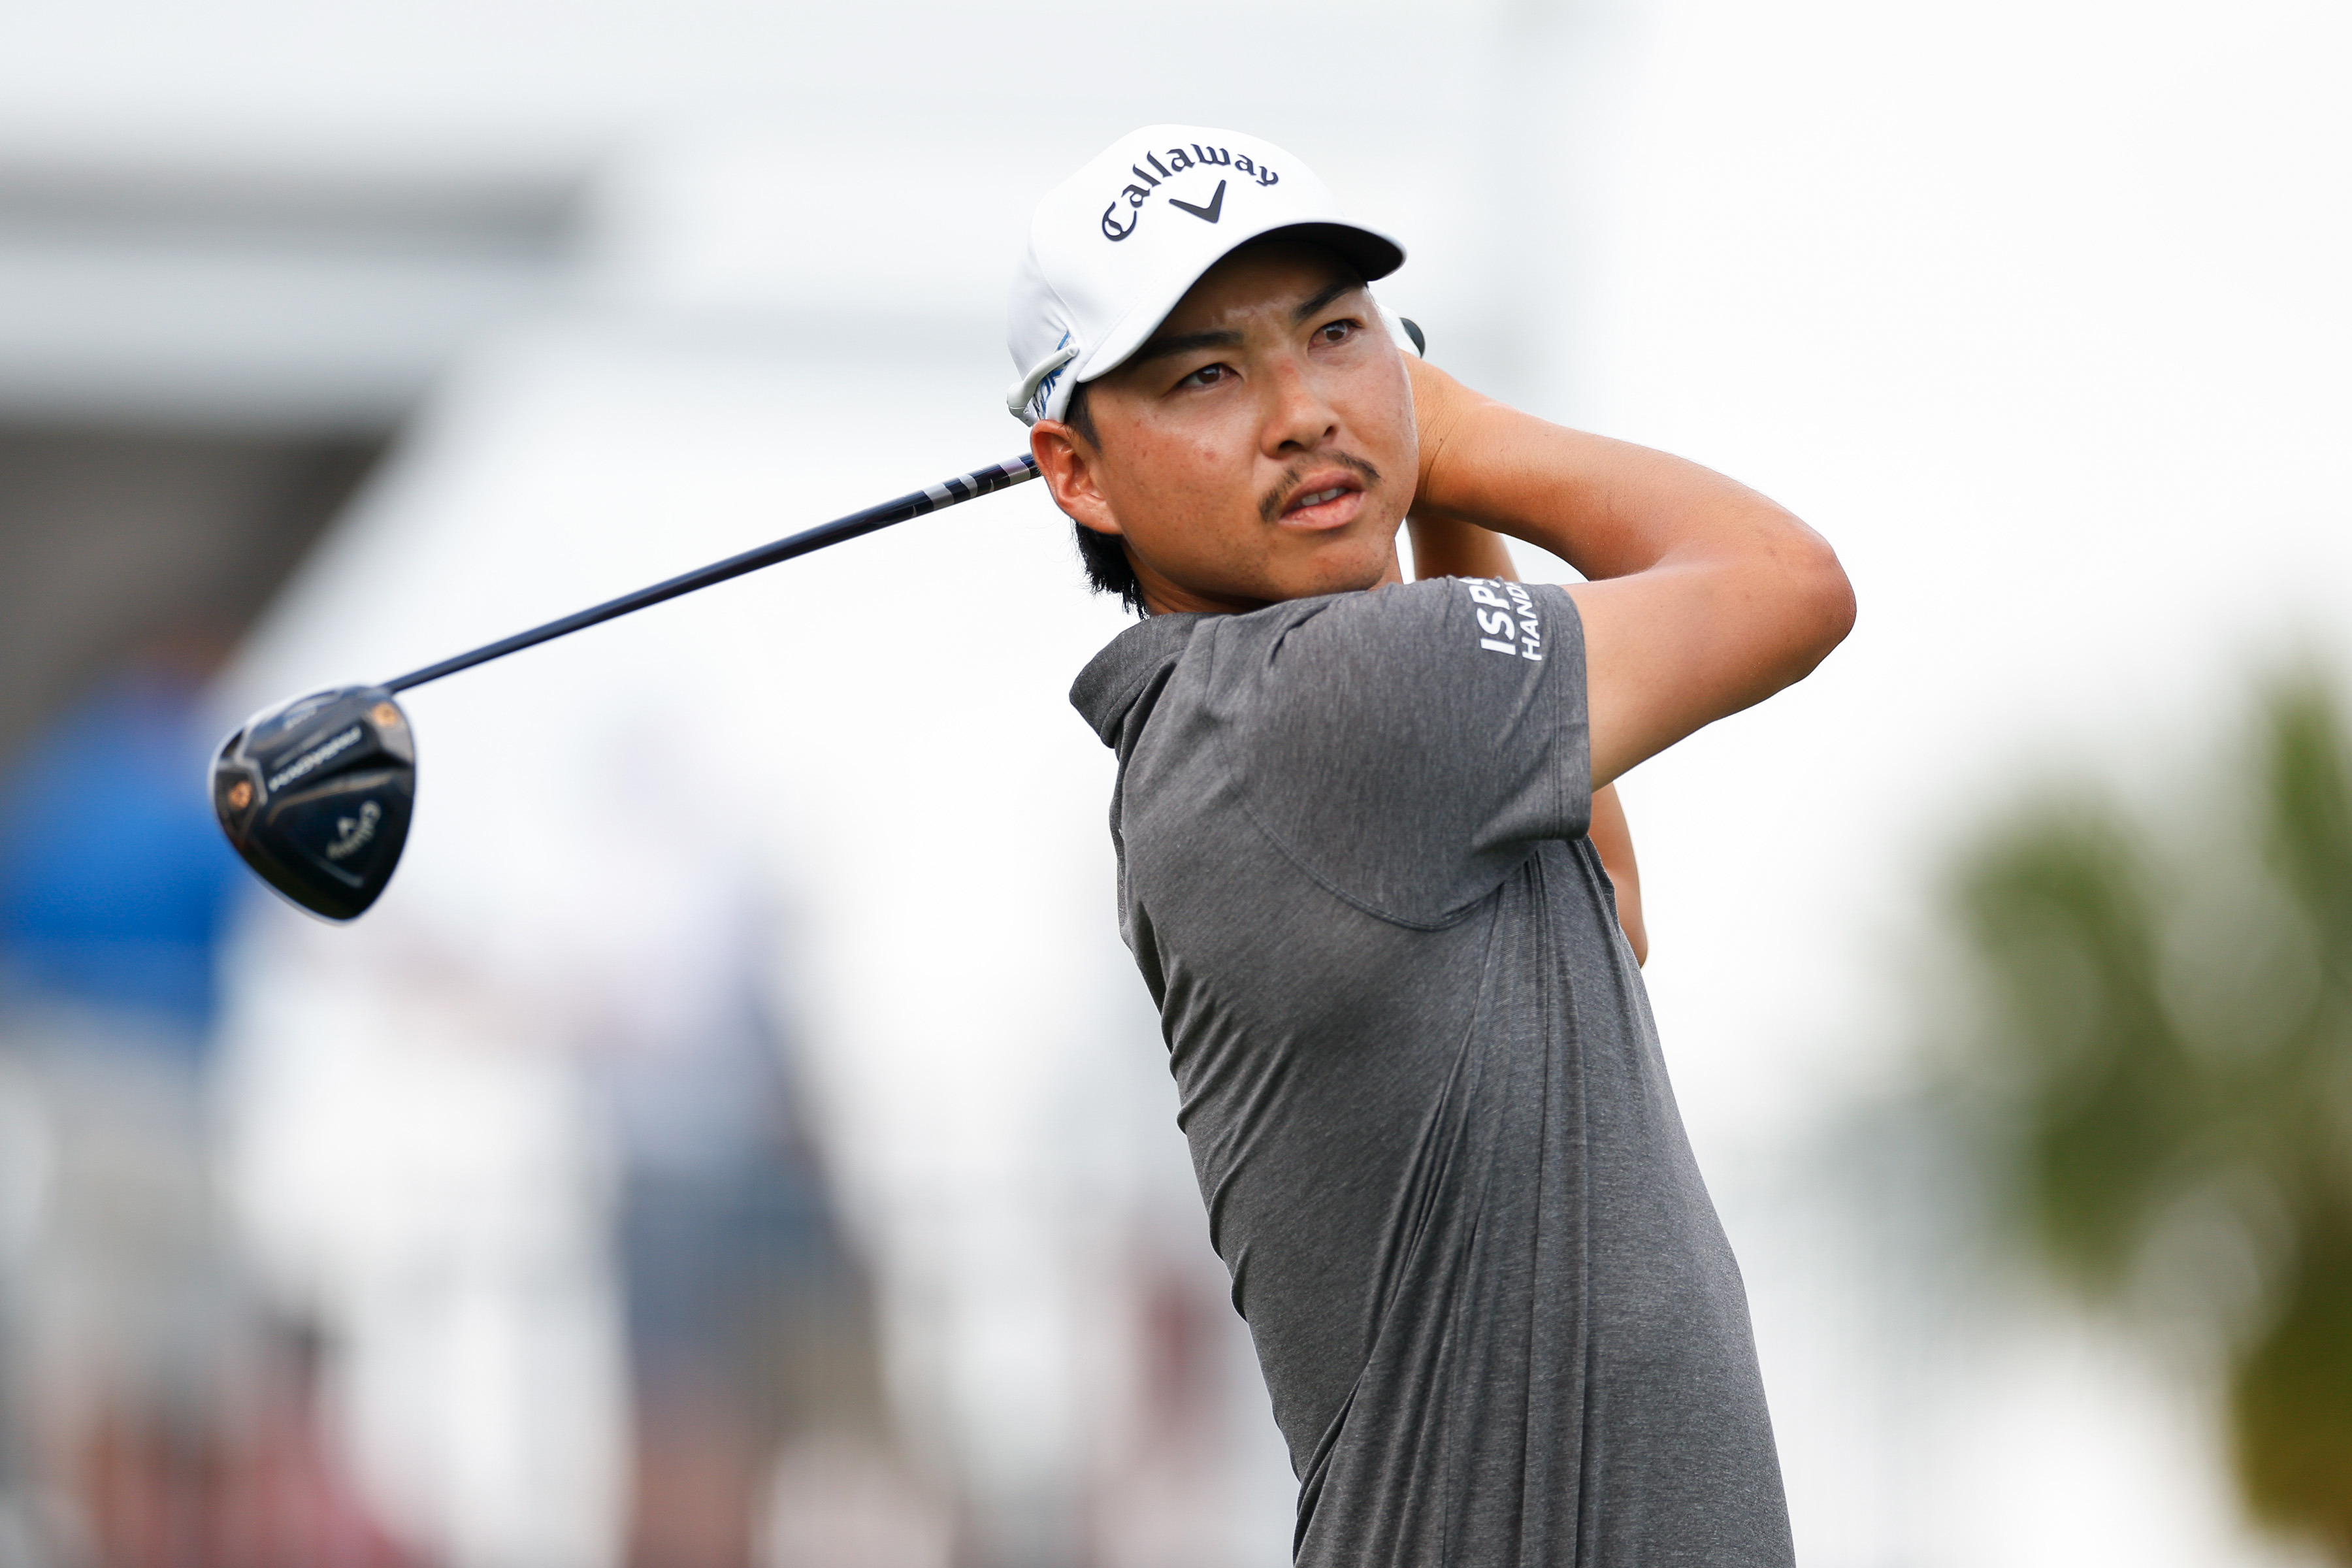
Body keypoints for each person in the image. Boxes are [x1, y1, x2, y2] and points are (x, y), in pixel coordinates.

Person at [1006, 126, 1854, 1565]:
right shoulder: (1322, 704)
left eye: (1335, 337)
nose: (1300, 412)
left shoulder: (1287, 725)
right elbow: (1787, 582)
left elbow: (1610, 906)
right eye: (1208, 373)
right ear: (1076, 471)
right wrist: (1442, 425)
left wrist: (1430, 482)